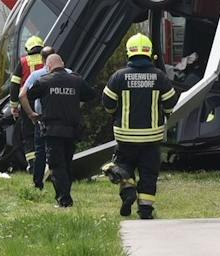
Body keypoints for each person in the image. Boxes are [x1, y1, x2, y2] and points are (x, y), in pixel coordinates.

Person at [102, 33, 178, 219]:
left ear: (129, 53)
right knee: (149, 174)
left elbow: (108, 103)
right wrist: (166, 113)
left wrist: (115, 114)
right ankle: (145, 210)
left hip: (125, 137)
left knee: (123, 166)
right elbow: (170, 102)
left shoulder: (119, 77)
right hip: (152, 138)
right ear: (149, 53)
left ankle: (128, 193)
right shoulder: (159, 77)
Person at [24, 53, 96, 208]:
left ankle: (64, 200)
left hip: (52, 131)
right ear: (62, 63)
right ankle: (65, 196)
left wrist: (34, 112)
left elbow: (29, 94)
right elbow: (91, 95)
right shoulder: (76, 80)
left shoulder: (43, 81)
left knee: (57, 165)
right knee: (66, 163)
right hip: (72, 131)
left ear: (48, 67)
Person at [5, 35, 47, 170]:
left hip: (27, 100)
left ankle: (33, 165)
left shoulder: (23, 62)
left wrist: (13, 106)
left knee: (29, 133)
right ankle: (48, 161)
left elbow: (14, 85)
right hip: (46, 99)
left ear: (27, 48)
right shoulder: (47, 60)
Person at [17, 45, 55, 190]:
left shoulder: (36, 74)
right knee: (62, 149)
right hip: (63, 119)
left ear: (43, 59)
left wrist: (31, 114)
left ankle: (38, 182)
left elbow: (21, 94)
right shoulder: (69, 73)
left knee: (40, 151)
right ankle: (62, 179)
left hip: (43, 118)